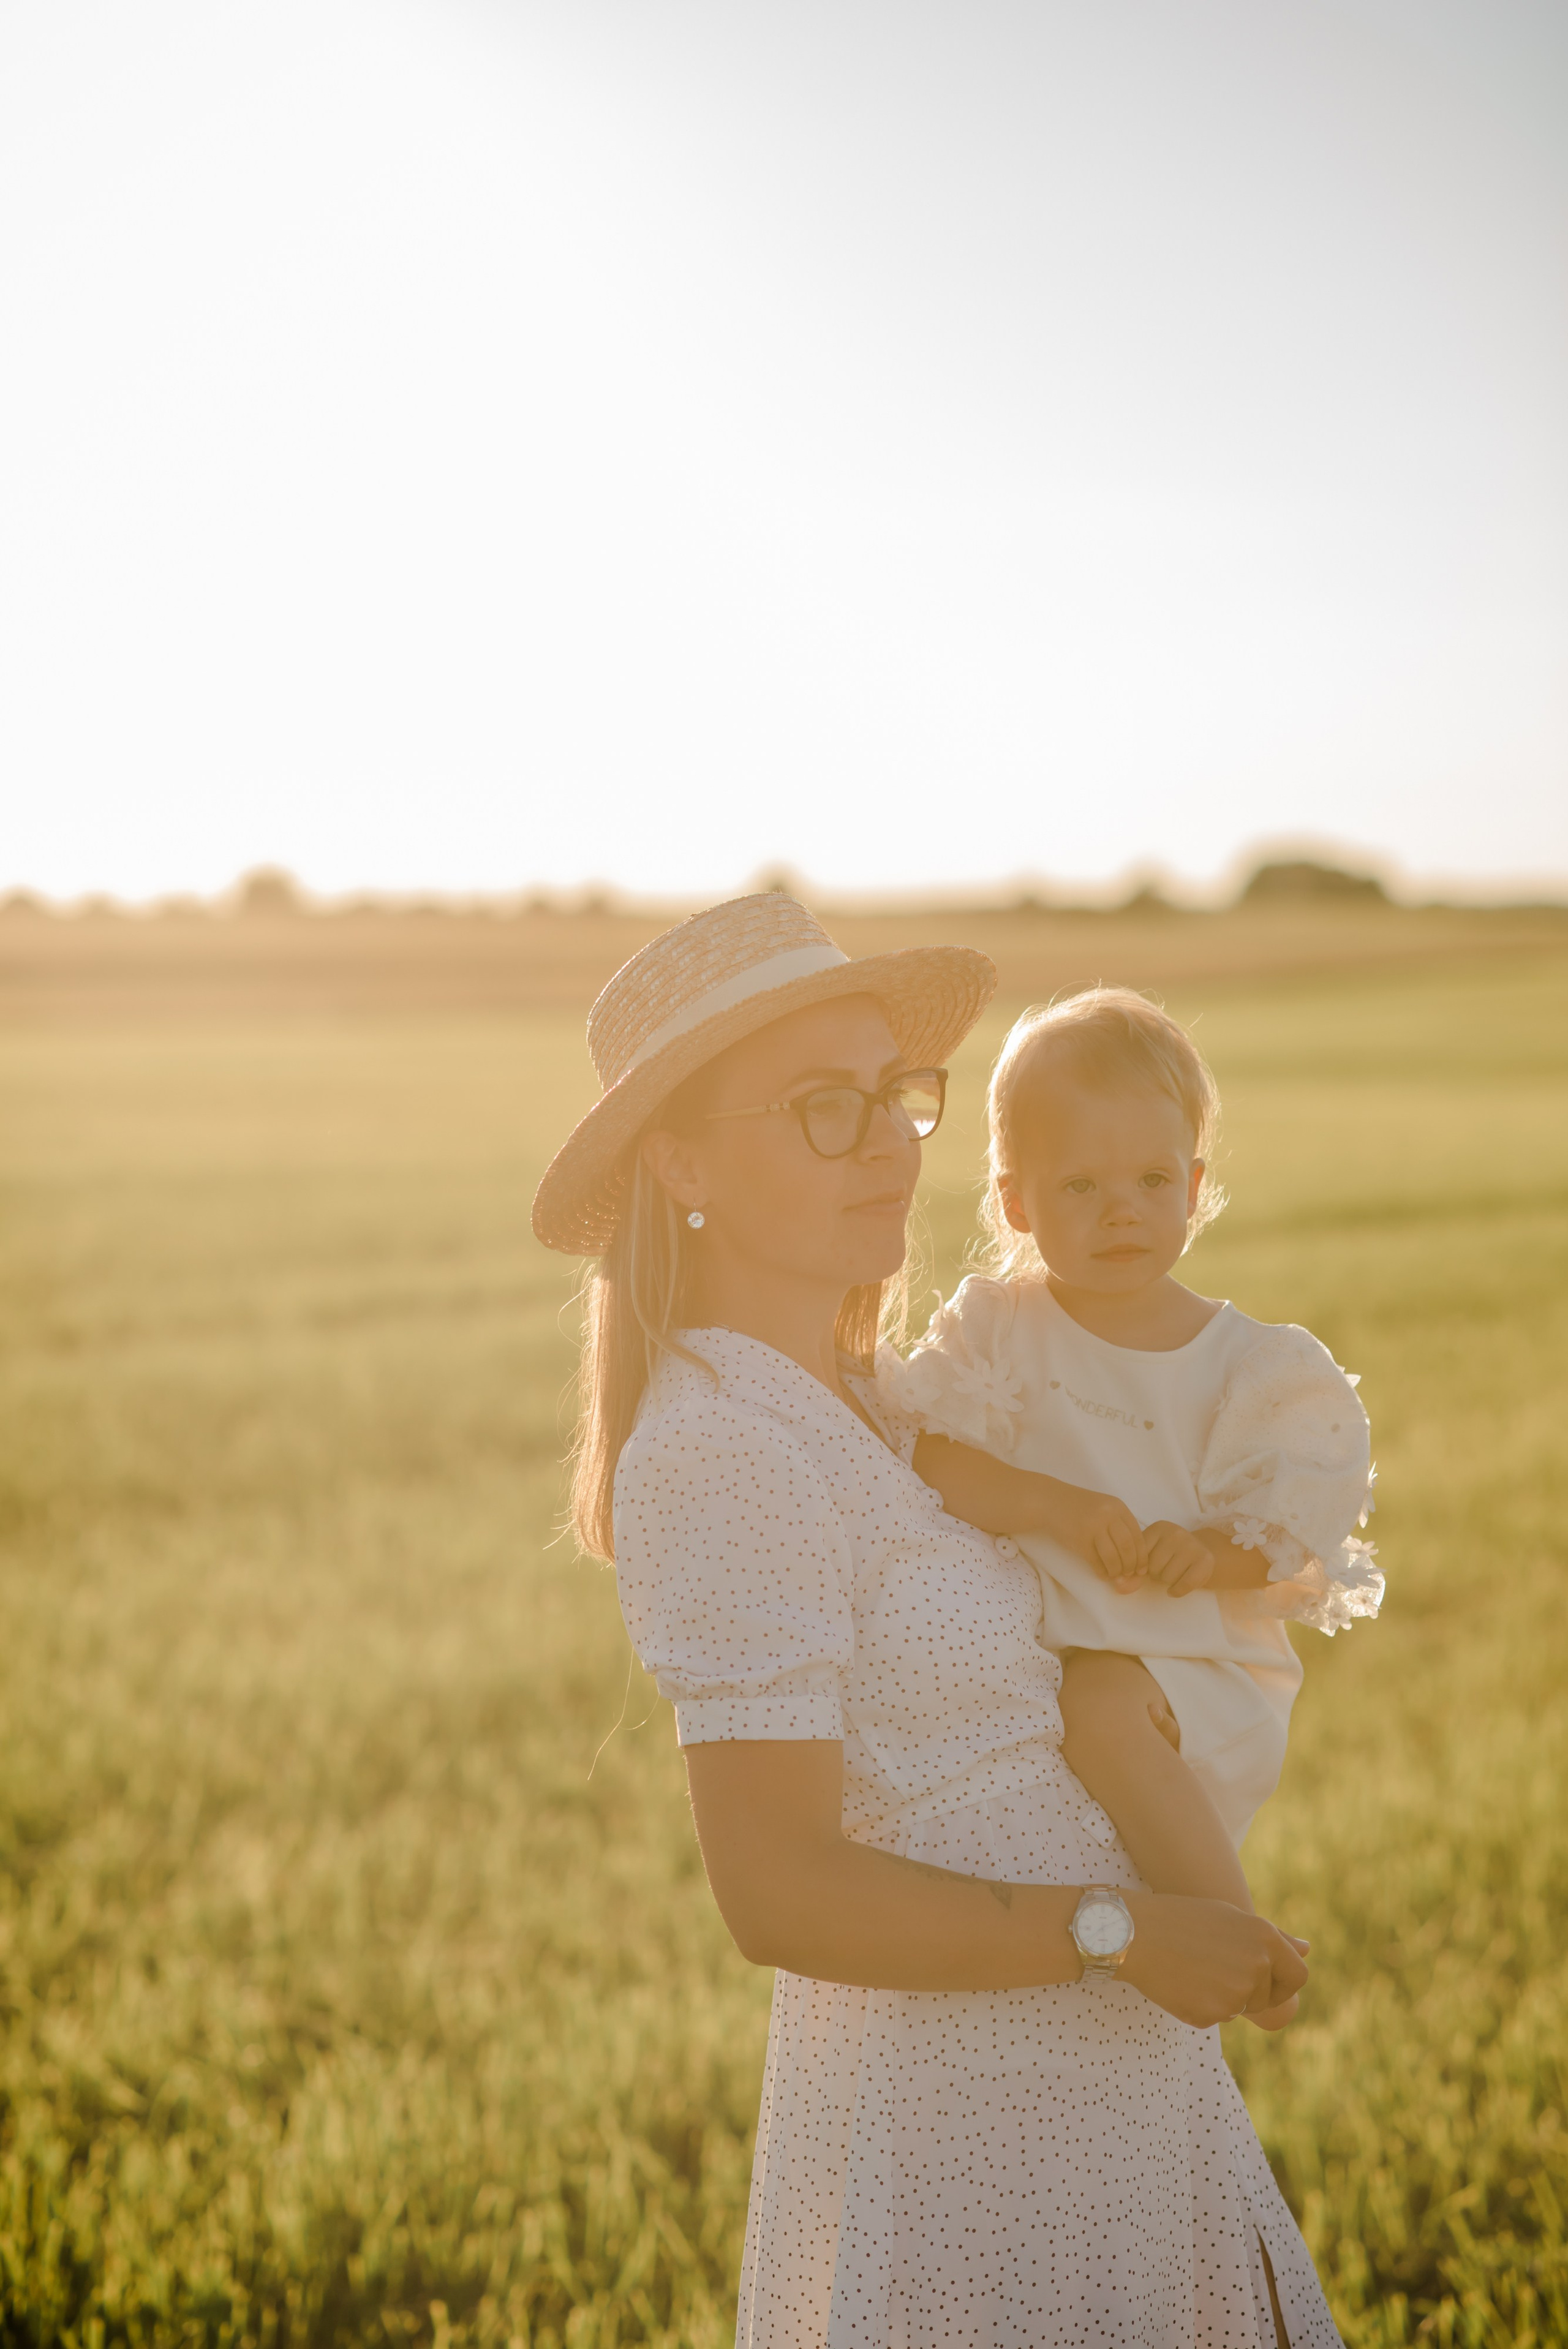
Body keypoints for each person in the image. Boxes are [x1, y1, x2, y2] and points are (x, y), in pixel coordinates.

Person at [533, 891, 1343, 2348]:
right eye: (825, 1108)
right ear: (681, 1161)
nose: (898, 1140)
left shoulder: (882, 1399)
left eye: (900, 1097)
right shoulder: (722, 1447)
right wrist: (1123, 1928)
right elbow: (775, 1889)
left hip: (1093, 2077)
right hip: (970, 2121)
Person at [889, 990, 1382, 1973]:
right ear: (1016, 1201)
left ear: (1194, 1187)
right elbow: (930, 1459)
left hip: (1196, 1666)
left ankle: (1239, 1944)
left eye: (1153, 1179)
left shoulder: (1247, 1365)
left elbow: (1288, 1533)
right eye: (1080, 1187)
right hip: (1062, 1667)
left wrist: (1203, 1555)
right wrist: (1054, 1507)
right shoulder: (1001, 1330)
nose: (1123, 1210)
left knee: (1102, 1703)